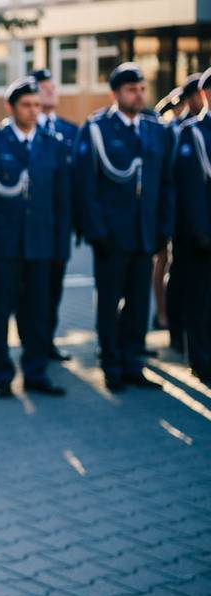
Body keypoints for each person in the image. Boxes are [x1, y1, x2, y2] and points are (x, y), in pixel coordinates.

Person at [74, 63, 175, 392]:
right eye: (132, 90)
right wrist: (97, 232)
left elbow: (166, 183)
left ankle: (133, 363)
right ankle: (112, 365)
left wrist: (163, 228)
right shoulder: (97, 129)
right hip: (112, 236)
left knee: (138, 303)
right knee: (109, 303)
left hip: (145, 233)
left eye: (142, 89)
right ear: (115, 93)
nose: (139, 95)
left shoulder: (155, 129)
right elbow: (86, 186)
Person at [0, 77, 71, 398]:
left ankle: (36, 372)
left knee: (38, 313)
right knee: (1, 313)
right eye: (26, 105)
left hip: (41, 246)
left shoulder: (53, 144)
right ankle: (2, 375)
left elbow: (62, 202)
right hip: (5, 246)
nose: (33, 111)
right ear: (10, 107)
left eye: (37, 105)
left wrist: (60, 247)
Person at [32, 68, 79, 362]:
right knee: (32, 291)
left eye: (53, 87)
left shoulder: (71, 131)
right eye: (44, 88)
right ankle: (33, 343)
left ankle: (47, 340)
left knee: (54, 287)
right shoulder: (23, 131)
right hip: (32, 228)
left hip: (60, 226)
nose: (50, 92)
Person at [171, 68, 211, 385]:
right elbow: (191, 188)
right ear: (206, 95)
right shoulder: (193, 133)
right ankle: (202, 360)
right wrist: (200, 230)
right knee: (201, 301)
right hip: (203, 236)